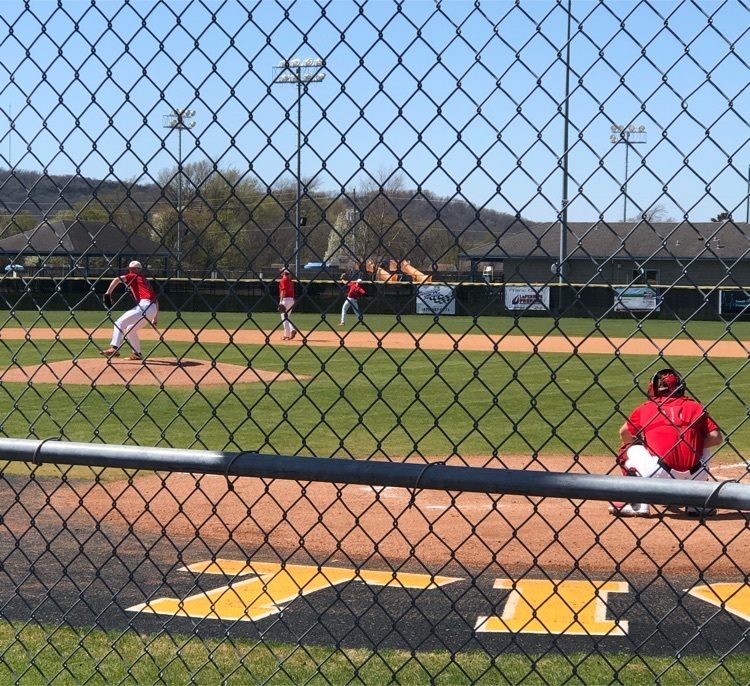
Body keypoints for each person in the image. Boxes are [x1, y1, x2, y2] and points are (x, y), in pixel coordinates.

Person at [610, 367, 723, 518]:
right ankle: (697, 502)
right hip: (697, 473)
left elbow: (624, 433)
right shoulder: (695, 406)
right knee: (703, 448)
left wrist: (643, 443)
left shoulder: (647, 408)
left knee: (627, 449)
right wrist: (691, 443)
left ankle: (638, 503)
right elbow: (716, 437)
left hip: (658, 473)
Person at [100, 261, 159, 361]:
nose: (131, 271)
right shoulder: (144, 280)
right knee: (131, 328)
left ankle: (114, 348)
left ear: (139, 270)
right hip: (152, 309)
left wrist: (108, 293)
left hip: (145, 305)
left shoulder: (134, 276)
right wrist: (155, 318)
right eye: (130, 269)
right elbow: (156, 301)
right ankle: (137, 354)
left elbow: (116, 280)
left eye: (133, 269)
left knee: (119, 322)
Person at [278, 267, 297, 341]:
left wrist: (280, 302)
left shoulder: (284, 280)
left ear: (284, 272)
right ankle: (292, 330)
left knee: (284, 318)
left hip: (285, 299)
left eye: (282, 271)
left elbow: (283, 291)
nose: (281, 272)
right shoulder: (290, 281)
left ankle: (286, 335)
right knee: (287, 317)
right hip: (291, 299)